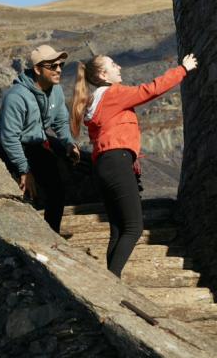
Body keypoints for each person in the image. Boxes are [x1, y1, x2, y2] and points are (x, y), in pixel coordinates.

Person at [70, 53, 198, 278]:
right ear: (103, 75)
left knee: (118, 229)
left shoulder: (94, 101)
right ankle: (111, 281)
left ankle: (112, 278)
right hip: (117, 163)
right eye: (113, 64)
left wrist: (131, 158)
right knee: (134, 228)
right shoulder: (114, 94)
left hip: (103, 166)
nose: (118, 67)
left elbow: (110, 134)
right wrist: (183, 69)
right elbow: (150, 90)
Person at [0, 44, 81, 233]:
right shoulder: (16, 97)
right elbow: (9, 138)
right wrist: (24, 170)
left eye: (60, 65)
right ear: (38, 69)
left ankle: (52, 235)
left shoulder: (55, 90)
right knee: (23, 193)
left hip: (34, 143)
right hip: (11, 147)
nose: (58, 70)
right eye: (52, 66)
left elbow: (60, 121)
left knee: (56, 188)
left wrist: (68, 143)